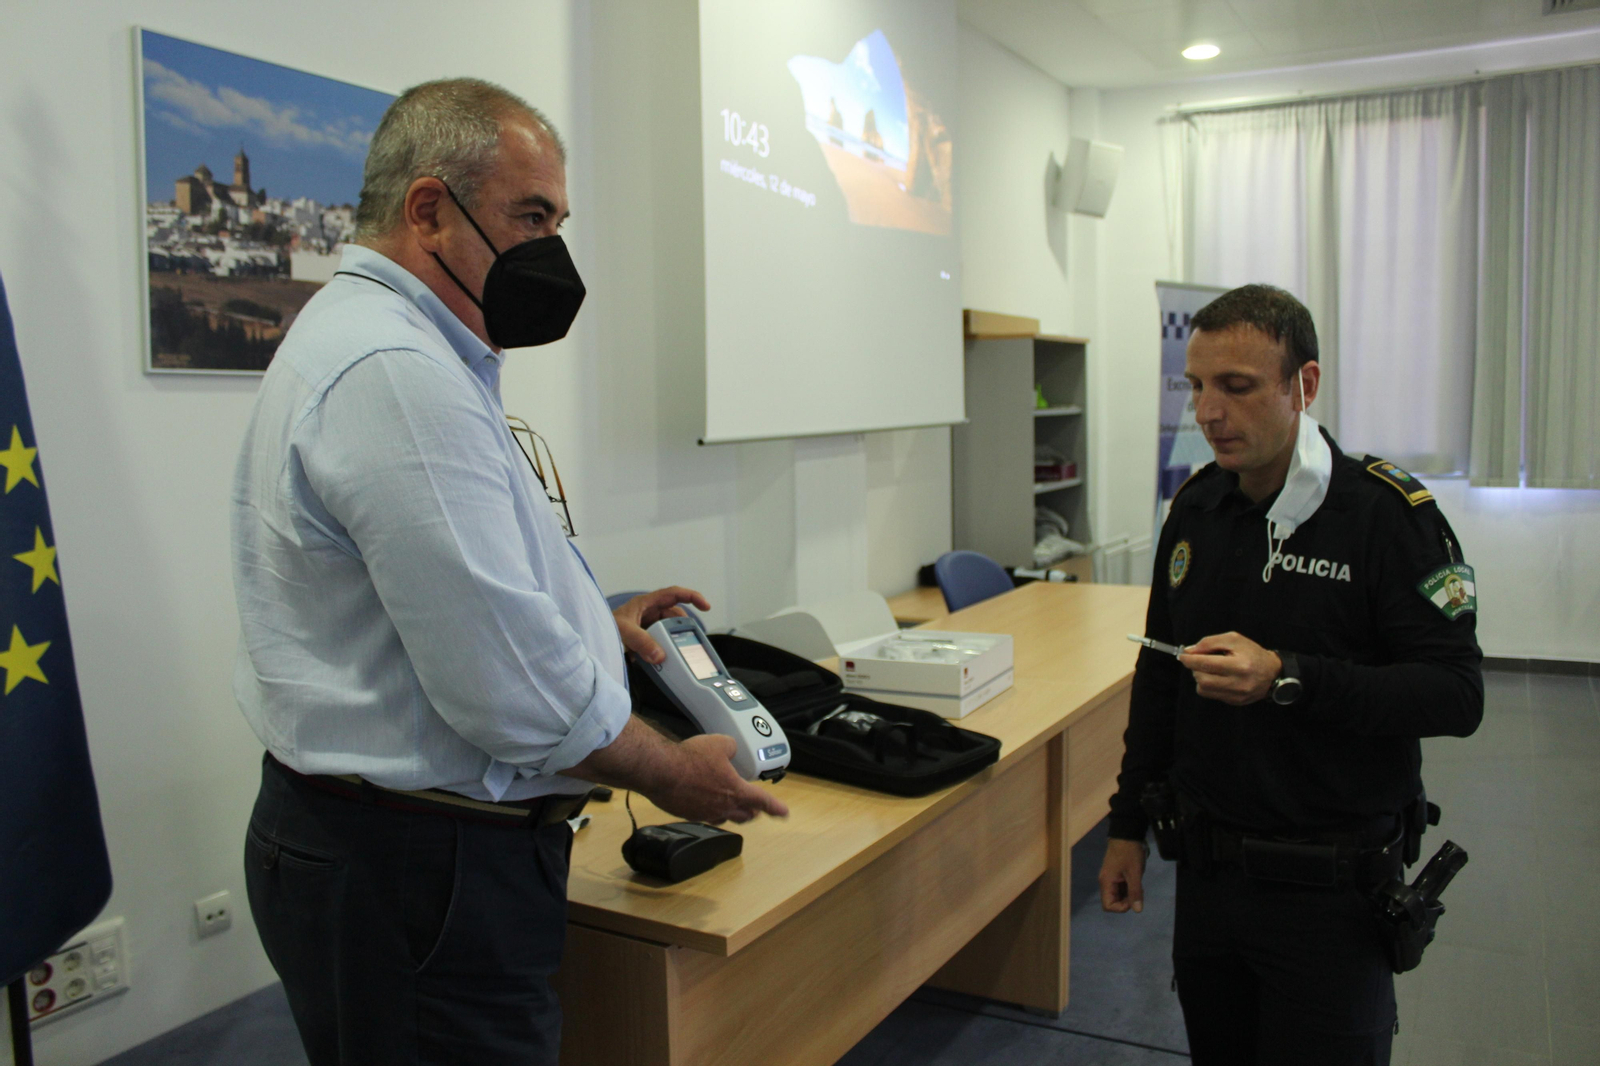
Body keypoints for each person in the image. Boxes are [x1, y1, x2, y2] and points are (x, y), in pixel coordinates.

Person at [231, 78, 787, 1066]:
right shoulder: (394, 375)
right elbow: (501, 682)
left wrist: (592, 621)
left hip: (387, 848)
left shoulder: (396, 351)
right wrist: (668, 770)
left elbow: (449, 590)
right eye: (531, 216)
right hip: (417, 864)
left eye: (558, 221)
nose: (552, 252)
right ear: (429, 210)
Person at [1097, 284, 1483, 1066]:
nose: (1208, 412)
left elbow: (1456, 693)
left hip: (1332, 896)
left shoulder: (1385, 517)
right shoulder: (1198, 508)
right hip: (1208, 880)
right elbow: (1161, 675)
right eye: (1196, 386)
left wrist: (1289, 678)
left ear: (1303, 385)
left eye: (1235, 387)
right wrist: (1127, 825)